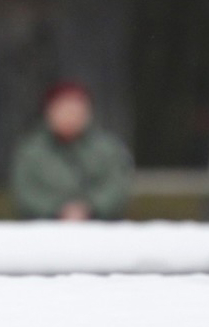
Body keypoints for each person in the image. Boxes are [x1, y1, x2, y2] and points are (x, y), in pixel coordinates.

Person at [10, 80, 133, 221]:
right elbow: (25, 193)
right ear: (49, 112)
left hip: (99, 225)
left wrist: (88, 208)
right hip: (45, 226)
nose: (70, 116)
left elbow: (117, 188)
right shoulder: (30, 151)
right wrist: (59, 209)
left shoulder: (108, 148)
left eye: (76, 110)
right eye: (64, 109)